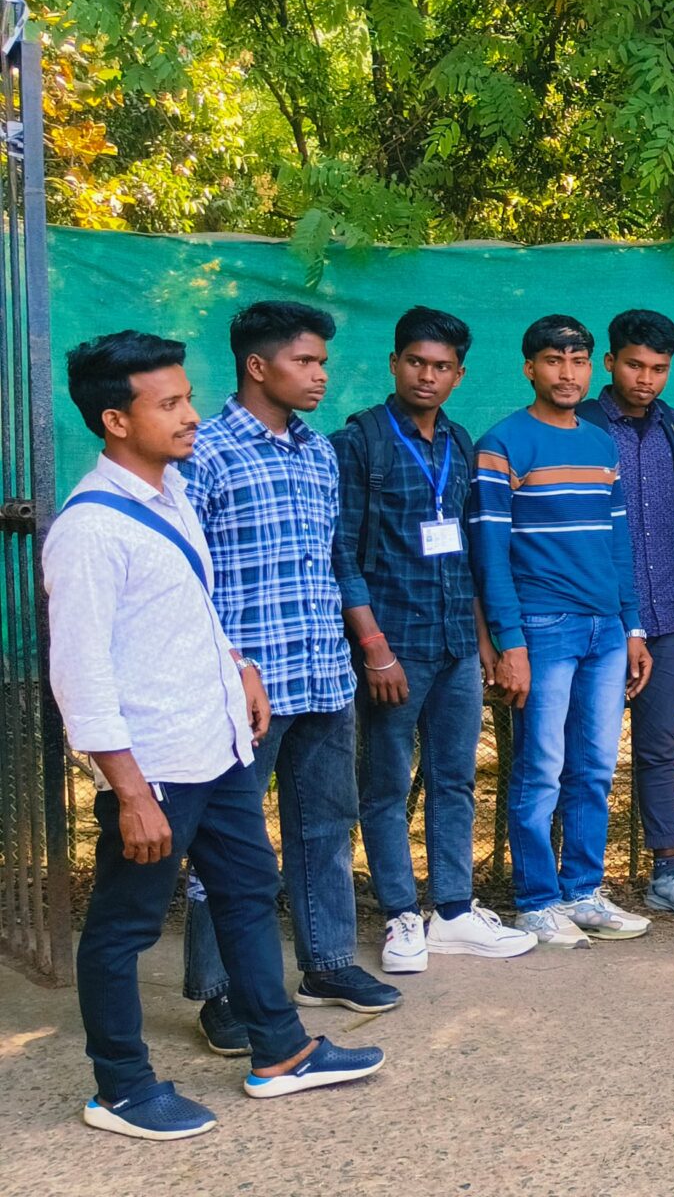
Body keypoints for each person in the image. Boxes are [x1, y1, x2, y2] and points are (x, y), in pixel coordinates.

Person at [48, 331, 384, 1140]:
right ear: (115, 421)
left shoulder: (170, 493)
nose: (191, 415)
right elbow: (80, 675)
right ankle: (121, 1088)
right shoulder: (90, 531)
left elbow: (185, 612)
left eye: (188, 397)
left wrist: (239, 664)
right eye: (169, 403)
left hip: (219, 744)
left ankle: (281, 1050)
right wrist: (130, 791)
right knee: (123, 927)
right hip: (157, 765)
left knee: (246, 891)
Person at [181, 301, 402, 1059]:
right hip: (245, 685)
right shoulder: (204, 452)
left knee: (326, 826)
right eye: (305, 361)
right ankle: (221, 993)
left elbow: (334, 559)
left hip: (322, 672)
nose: (320, 375)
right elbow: (187, 577)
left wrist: (360, 644)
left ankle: (327, 962)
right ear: (257, 365)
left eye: (322, 363)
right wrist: (224, 667)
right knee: (227, 843)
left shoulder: (317, 452)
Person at [337, 308, 534, 974]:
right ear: (394, 363)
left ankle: (452, 912)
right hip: (394, 648)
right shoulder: (359, 441)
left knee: (455, 779)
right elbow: (342, 554)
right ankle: (400, 914)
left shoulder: (458, 440)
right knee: (386, 785)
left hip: (454, 645)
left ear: (459, 375)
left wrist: (483, 641)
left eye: (441, 366)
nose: (427, 375)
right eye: (416, 362)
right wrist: (374, 648)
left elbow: (466, 554)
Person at [474, 314, 655, 947]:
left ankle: (583, 894)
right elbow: (489, 555)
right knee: (541, 768)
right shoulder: (502, 444)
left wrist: (633, 626)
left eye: (578, 361)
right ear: (530, 368)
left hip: (606, 630)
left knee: (595, 768)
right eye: (554, 361)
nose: (567, 373)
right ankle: (536, 901)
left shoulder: (601, 445)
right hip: (543, 628)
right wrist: (510, 643)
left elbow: (619, 544)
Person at [577, 309, 674, 918]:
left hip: (665, 614)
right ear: (610, 363)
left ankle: (666, 871)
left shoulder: (671, 425)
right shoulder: (581, 423)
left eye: (659, 368)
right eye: (634, 365)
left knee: (659, 747)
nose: (646, 379)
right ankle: (580, 879)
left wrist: (671, 586)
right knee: (587, 751)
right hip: (599, 618)